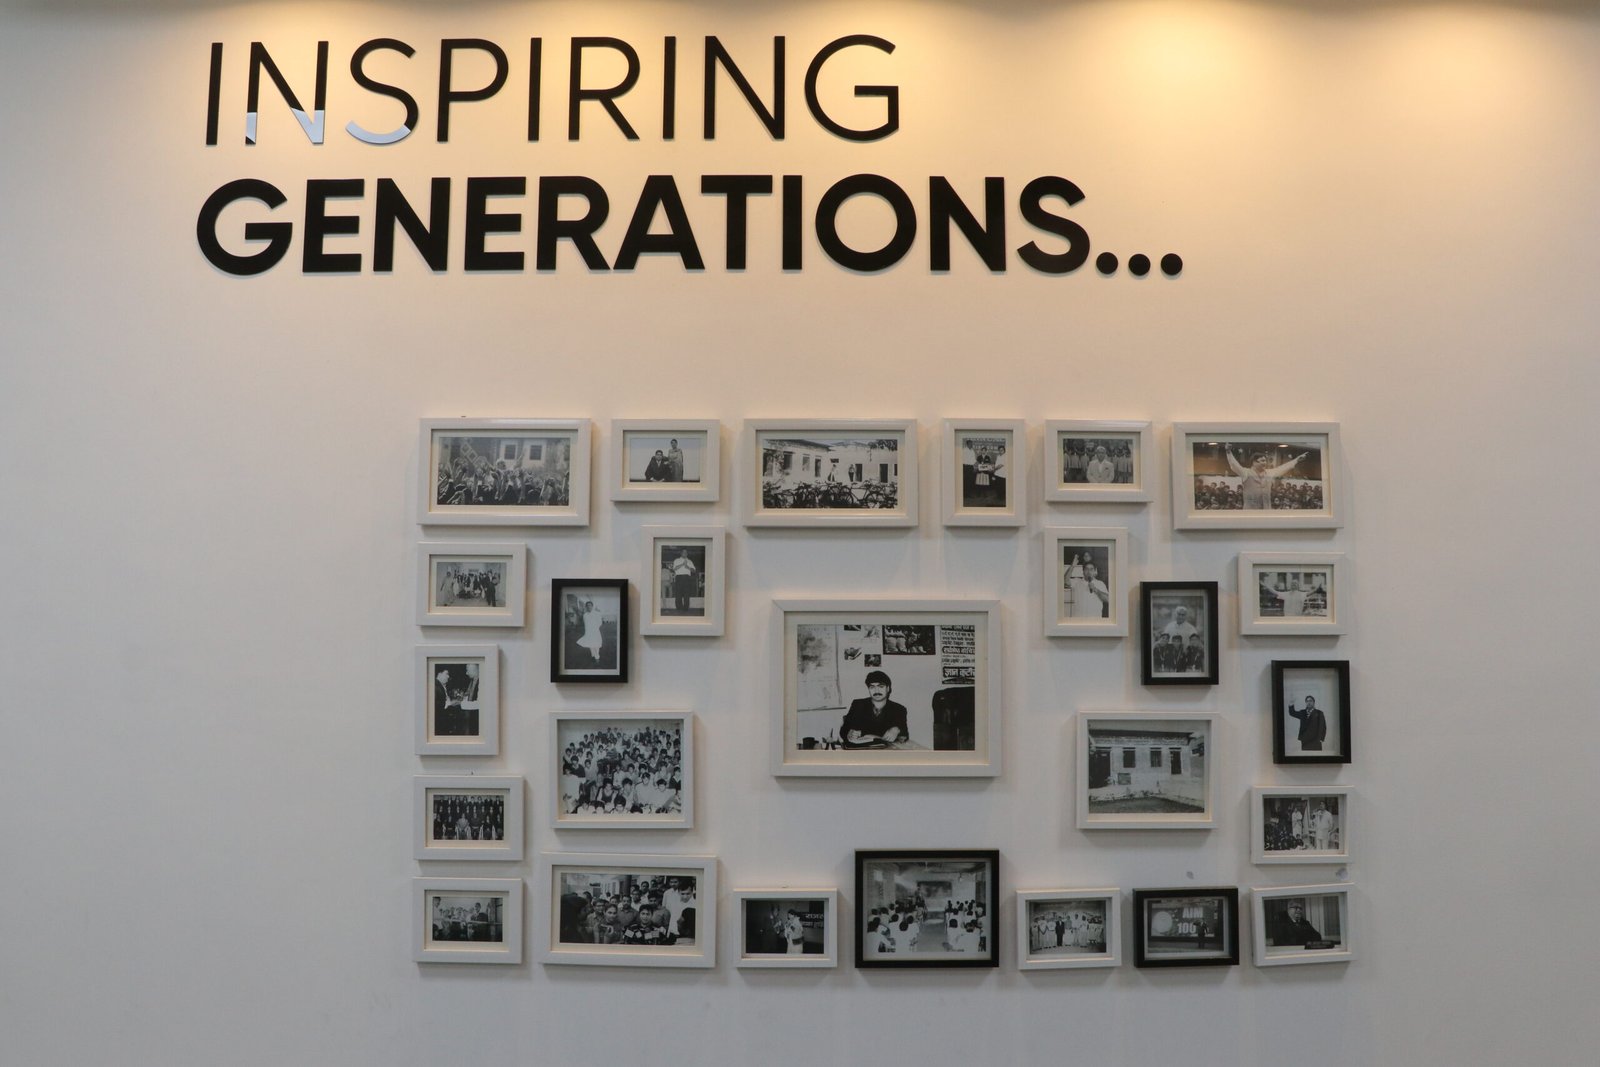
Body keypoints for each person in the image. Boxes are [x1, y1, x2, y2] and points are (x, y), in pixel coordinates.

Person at [839, 670, 910, 748]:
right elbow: (844, 730)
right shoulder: (858, 705)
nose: (876, 691)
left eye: (881, 686)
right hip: (861, 750)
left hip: (886, 751)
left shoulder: (899, 709)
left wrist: (897, 729)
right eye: (872, 687)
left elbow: (904, 735)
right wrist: (849, 733)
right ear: (868, 689)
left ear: (888, 688)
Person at [1225, 447, 1309, 509]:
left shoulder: (1269, 473)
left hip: (1266, 511)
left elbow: (1283, 468)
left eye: (1265, 461)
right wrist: (1228, 452)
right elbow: (1234, 465)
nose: (1265, 463)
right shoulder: (1245, 472)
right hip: (1250, 512)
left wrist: (1297, 460)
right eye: (1262, 461)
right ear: (1254, 462)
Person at [667, 548, 699, 613]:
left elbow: (694, 570)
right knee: (678, 593)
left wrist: (687, 567)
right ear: (681, 553)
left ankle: (685, 608)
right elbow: (674, 569)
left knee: (687, 593)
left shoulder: (690, 561)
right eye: (684, 552)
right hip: (679, 577)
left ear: (687, 554)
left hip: (687, 578)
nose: (685, 553)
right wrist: (682, 564)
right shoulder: (677, 560)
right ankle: (679, 608)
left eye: (686, 552)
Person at [577, 599, 605, 664]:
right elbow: (585, 624)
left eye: (590, 605)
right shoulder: (585, 615)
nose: (589, 607)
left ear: (592, 606)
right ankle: (593, 655)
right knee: (590, 644)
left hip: (595, 632)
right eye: (587, 606)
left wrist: (594, 628)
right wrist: (587, 632)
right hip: (588, 632)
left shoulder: (597, 613)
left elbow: (600, 622)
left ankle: (597, 657)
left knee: (596, 644)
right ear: (586, 607)